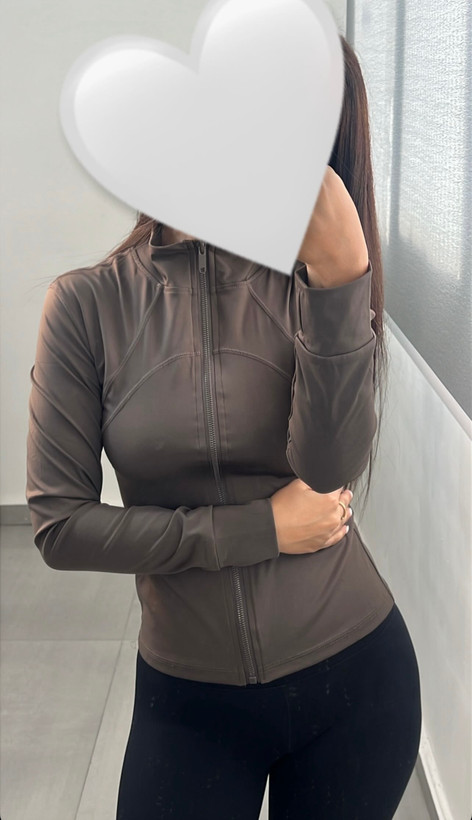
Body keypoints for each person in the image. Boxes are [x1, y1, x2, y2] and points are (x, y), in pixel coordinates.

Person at [25, 33, 422, 820]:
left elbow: (328, 468)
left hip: (357, 682)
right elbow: (61, 527)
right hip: (188, 694)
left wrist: (341, 281)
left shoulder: (316, 288)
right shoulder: (87, 305)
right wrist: (255, 530)